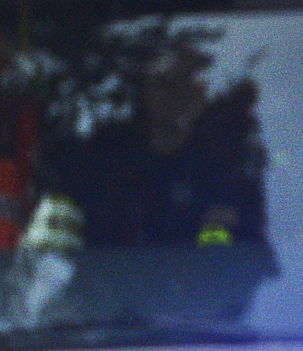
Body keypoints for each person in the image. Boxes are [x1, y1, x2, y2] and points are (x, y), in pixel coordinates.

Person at [48, 39, 270, 249]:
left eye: (188, 82)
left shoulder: (229, 165)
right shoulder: (100, 158)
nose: (176, 94)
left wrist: (222, 233)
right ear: (143, 88)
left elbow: (251, 257)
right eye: (163, 82)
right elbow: (60, 244)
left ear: (203, 92)